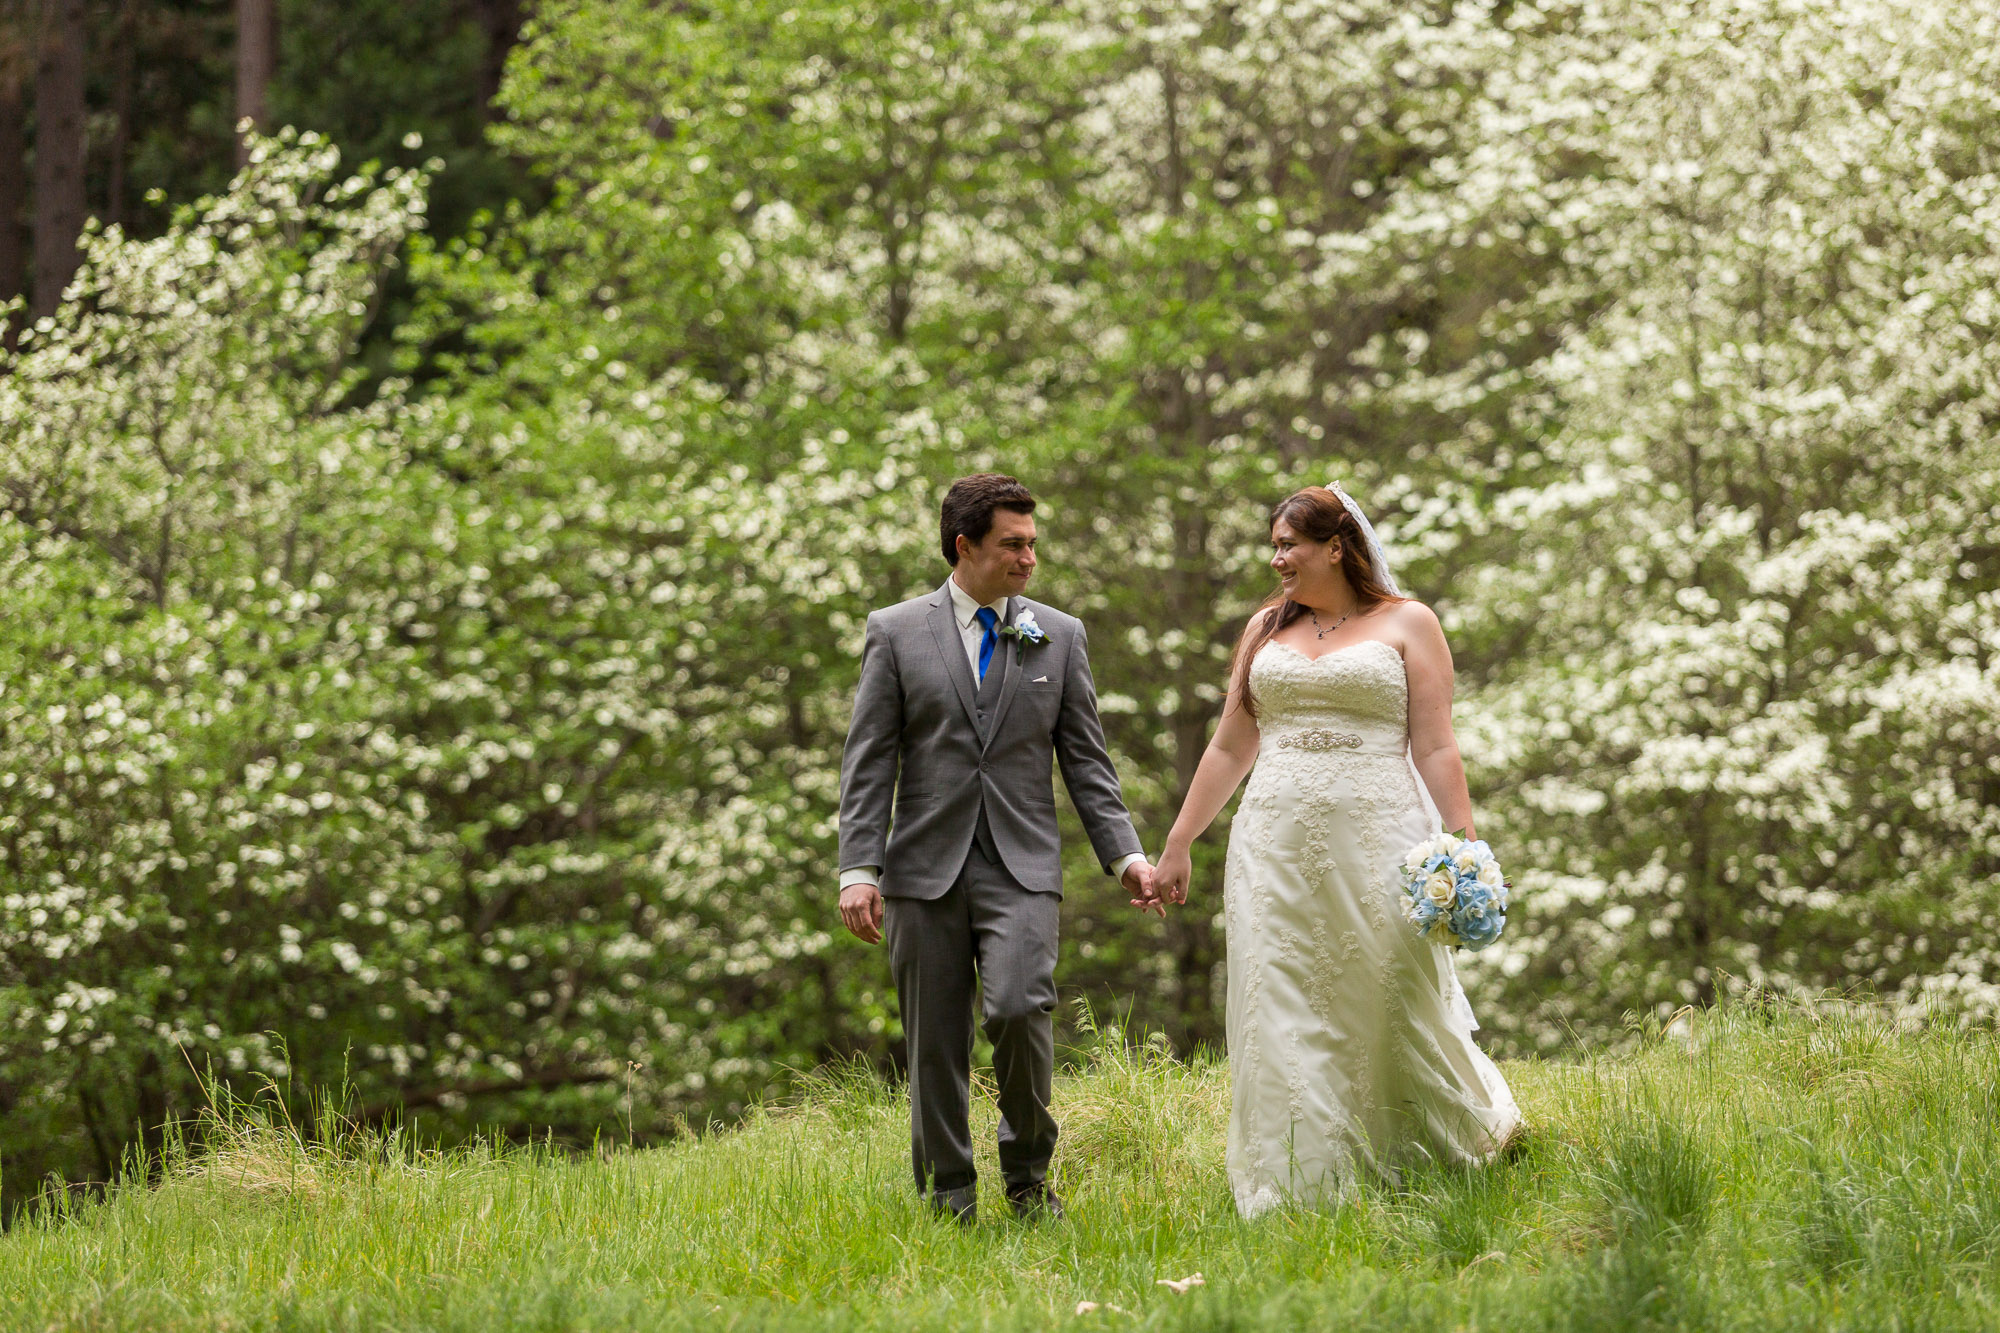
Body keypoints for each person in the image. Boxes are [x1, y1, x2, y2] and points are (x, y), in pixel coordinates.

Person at [1152, 483, 1522, 1218]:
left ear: (1336, 546)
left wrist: (1463, 845)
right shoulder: (1264, 629)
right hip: (1273, 843)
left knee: (1386, 993)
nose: (1277, 557)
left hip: (1379, 837)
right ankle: (1298, 1182)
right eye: (1274, 544)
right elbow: (1231, 744)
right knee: (1279, 999)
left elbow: (1436, 742)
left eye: (1289, 543)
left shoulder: (1409, 622)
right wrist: (1178, 843)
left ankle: (1421, 1148)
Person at [836, 473, 1158, 1224]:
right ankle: (949, 1193)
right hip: (922, 870)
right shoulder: (894, 631)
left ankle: (1028, 1180)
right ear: (965, 546)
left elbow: (1087, 763)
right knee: (935, 1042)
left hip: (1022, 868)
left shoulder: (1061, 633)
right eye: (1013, 544)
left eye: (1032, 543)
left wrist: (1127, 856)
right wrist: (860, 867)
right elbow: (869, 760)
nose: (1028, 558)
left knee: (1018, 1008)